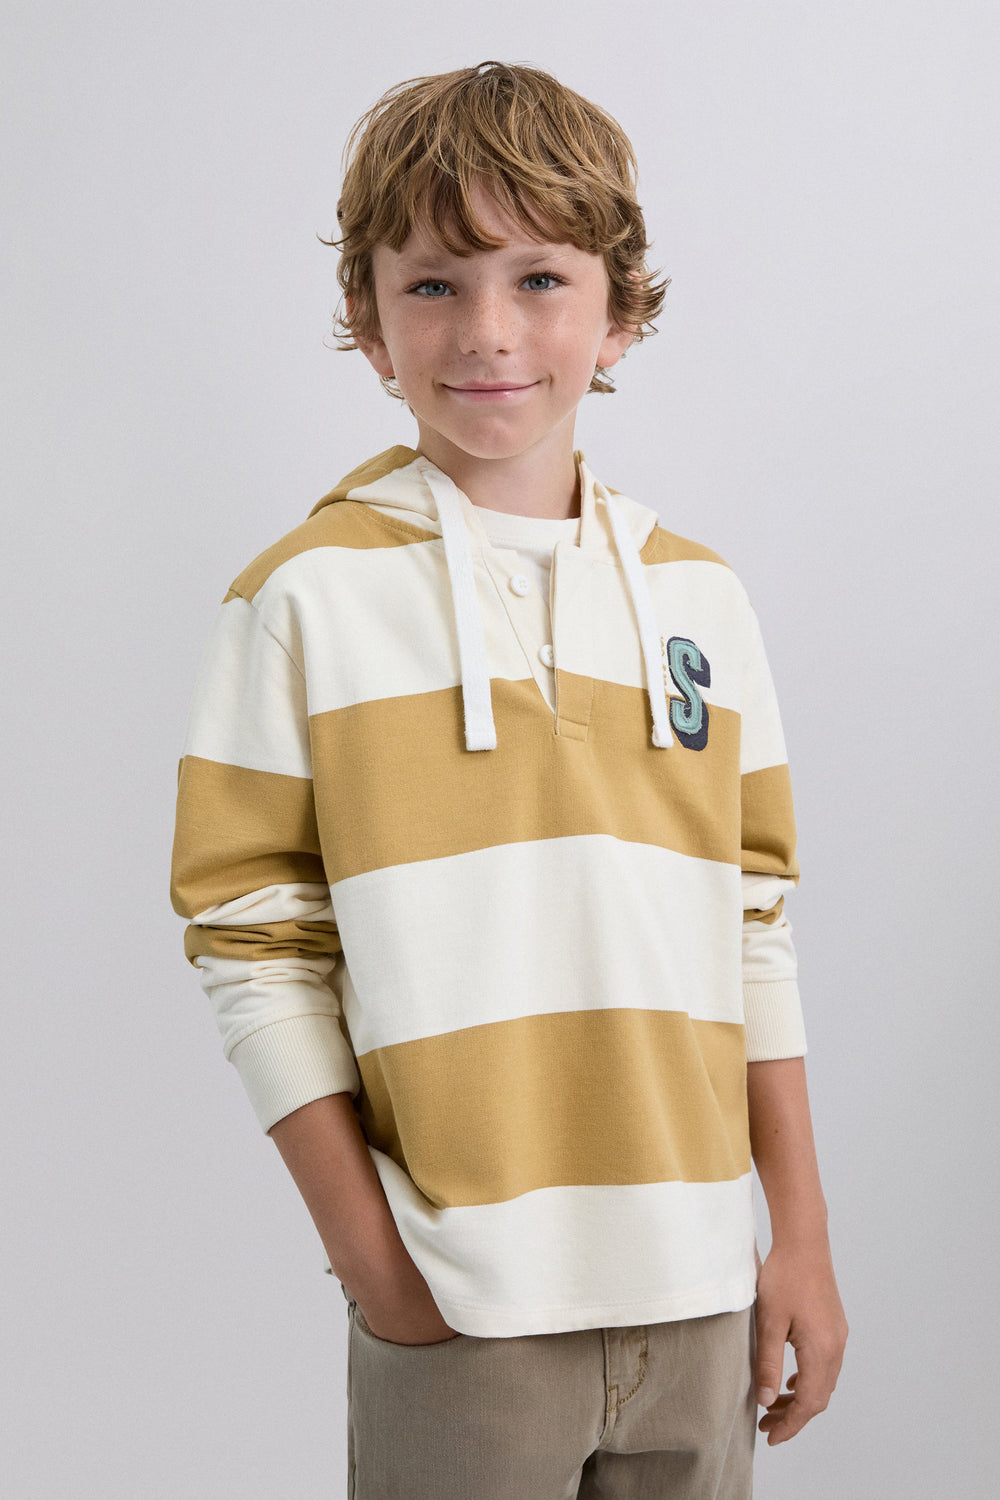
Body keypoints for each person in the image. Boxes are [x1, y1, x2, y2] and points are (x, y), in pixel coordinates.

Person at [170, 59, 847, 1500]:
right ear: (368, 321)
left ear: (618, 310)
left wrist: (798, 1238)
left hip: (702, 1298)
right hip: (461, 1313)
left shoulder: (701, 600)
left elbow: (752, 925)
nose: (487, 331)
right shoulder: (303, 599)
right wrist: (378, 1266)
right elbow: (252, 944)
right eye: (434, 284)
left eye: (540, 279)